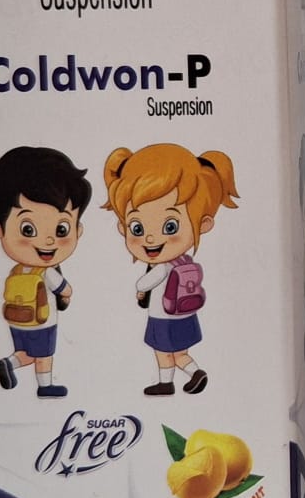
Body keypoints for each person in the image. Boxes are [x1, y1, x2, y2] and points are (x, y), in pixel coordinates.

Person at [102, 143, 239, 396]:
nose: (150, 238)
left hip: (163, 315)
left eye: (170, 226)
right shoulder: (183, 260)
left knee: (163, 352)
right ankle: (194, 371)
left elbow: (145, 283)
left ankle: (167, 382)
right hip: (186, 313)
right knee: (180, 352)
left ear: (203, 224)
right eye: (137, 227)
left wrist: (139, 289)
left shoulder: (163, 266)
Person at [0, 146, 91, 398]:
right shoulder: (46, 271)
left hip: (17, 319)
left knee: (25, 353)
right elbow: (64, 289)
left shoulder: (17, 269)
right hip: (42, 320)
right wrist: (68, 294)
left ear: (78, 229)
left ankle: (10, 362)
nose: (48, 240)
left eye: (61, 229)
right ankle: (45, 386)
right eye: (28, 229)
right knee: (44, 355)